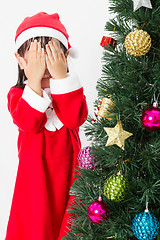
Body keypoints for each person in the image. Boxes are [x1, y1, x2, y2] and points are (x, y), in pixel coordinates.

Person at [5, 12, 88, 240]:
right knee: (36, 227)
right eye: (37, 58)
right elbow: (28, 122)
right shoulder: (18, 95)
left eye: (50, 56)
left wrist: (62, 79)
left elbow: (74, 118)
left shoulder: (71, 91)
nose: (45, 67)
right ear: (21, 61)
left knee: (70, 223)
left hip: (71, 172)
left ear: (64, 56)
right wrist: (33, 80)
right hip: (35, 177)